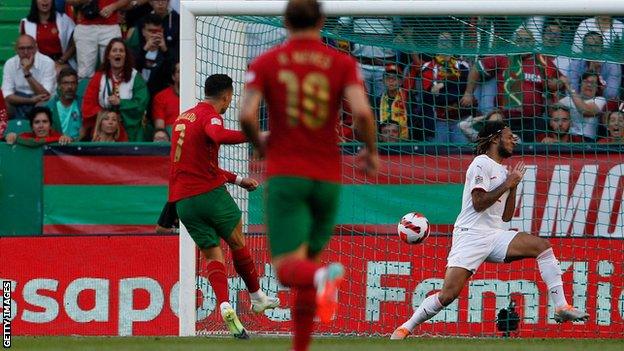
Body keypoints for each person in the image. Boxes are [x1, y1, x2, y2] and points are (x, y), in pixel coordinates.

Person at [239, 1, 378, 350]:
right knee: (306, 266)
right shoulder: (342, 63)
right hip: (328, 177)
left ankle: (322, 276)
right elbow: (361, 112)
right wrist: (371, 150)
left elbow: (245, 115)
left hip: (287, 174)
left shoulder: (266, 62)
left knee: (288, 270)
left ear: (285, 21)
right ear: (322, 20)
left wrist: (258, 145)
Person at [390, 120, 589, 340]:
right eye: (509, 136)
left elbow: (506, 216)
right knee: (447, 295)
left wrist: (513, 186)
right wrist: (508, 183)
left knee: (542, 247)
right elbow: (478, 202)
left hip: (494, 234)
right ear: (495, 139)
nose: (513, 140)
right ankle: (405, 328)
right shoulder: (480, 163)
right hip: (471, 234)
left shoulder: (503, 171)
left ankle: (561, 306)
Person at [170, 74, 279, 339]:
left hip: (183, 202)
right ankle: (256, 297)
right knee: (237, 241)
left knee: (212, 255)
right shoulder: (211, 116)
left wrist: (238, 179)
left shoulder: (184, 117)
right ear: (227, 96)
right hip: (209, 195)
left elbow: (199, 163)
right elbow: (216, 134)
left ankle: (225, 304)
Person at [81, 38, 149, 141]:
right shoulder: (99, 77)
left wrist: (121, 103)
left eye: (121, 51)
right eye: (114, 50)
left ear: (125, 56)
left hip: (129, 130)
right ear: (108, 56)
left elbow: (141, 103)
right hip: (103, 131)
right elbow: (88, 105)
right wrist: (107, 116)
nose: (118, 53)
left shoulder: (135, 77)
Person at [65, 0, 128, 79]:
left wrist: (113, 7)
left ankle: (111, 91)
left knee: (112, 70)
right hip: (85, 26)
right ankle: (87, 90)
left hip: (110, 25)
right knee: (85, 73)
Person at [1, 35, 56, 120]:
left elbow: (45, 95)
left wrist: (27, 73)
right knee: (4, 104)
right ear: (16, 50)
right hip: (19, 100)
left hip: (40, 100)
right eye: (22, 48)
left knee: (42, 104)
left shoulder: (47, 63)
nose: (26, 52)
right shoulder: (10, 63)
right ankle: (8, 130)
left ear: (36, 48)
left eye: (29, 48)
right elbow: (7, 95)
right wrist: (30, 101)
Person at [20, 0, 76, 71]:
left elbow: (74, 44)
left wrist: (61, 61)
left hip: (60, 64)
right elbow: (22, 47)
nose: (45, 1)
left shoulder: (64, 19)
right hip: (37, 65)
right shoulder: (26, 23)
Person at [559, 72, 607, 142]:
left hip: (587, 141)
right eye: (585, 81)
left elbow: (585, 111)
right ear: (580, 84)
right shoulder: (568, 99)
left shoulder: (600, 100)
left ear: (597, 88)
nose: (589, 85)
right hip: (568, 139)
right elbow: (552, 113)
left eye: (593, 83)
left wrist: (568, 86)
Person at [5, 106, 71, 146]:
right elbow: (10, 137)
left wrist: (68, 139)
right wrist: (10, 136)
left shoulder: (60, 138)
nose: (41, 126)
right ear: (32, 127)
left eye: (45, 121)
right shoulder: (25, 136)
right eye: (37, 122)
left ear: (50, 125)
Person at [46, 67, 82, 140]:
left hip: (78, 145)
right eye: (66, 83)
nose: (70, 87)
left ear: (77, 85)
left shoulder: (83, 104)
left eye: (73, 83)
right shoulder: (49, 107)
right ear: (59, 86)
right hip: (56, 147)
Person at [151, 62, 179, 130]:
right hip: (169, 136)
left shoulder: (196, 95)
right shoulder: (161, 97)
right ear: (173, 76)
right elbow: (159, 128)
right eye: (179, 71)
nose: (184, 74)